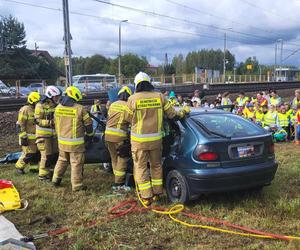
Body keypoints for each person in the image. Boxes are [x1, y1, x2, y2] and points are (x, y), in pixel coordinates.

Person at [124, 72, 190, 205]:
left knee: (141, 167)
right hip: (156, 141)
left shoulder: (133, 99)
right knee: (156, 165)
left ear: (136, 85)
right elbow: (172, 115)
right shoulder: (159, 96)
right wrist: (184, 111)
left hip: (139, 142)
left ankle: (146, 197)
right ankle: (157, 193)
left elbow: (127, 118)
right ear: (150, 83)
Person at [52, 86, 93, 191]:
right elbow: (88, 125)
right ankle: (77, 186)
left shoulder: (58, 108)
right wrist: (89, 136)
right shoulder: (80, 108)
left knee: (62, 160)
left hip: (61, 142)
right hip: (76, 144)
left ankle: (56, 179)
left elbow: (55, 123)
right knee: (76, 163)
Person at [105, 86, 132, 191]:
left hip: (107, 136)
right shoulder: (128, 106)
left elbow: (110, 118)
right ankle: (119, 183)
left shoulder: (113, 105)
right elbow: (131, 121)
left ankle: (116, 179)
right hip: (119, 137)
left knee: (114, 158)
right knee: (122, 158)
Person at [35, 86, 62, 181]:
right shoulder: (40, 105)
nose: (57, 98)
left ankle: (50, 172)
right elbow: (37, 120)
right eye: (56, 96)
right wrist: (50, 123)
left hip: (53, 135)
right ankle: (42, 175)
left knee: (54, 155)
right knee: (46, 155)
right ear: (50, 95)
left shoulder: (55, 105)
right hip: (43, 136)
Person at [15, 92, 41, 174]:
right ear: (32, 101)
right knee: (29, 153)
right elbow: (20, 124)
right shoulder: (25, 109)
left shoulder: (36, 109)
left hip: (35, 136)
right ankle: (19, 167)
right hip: (27, 137)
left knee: (36, 153)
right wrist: (23, 136)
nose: (38, 103)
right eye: (36, 101)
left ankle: (33, 168)